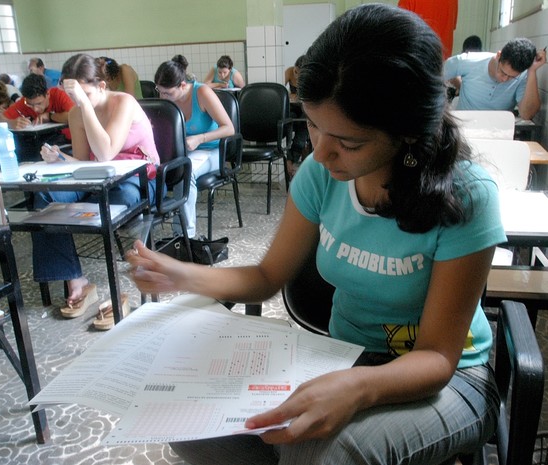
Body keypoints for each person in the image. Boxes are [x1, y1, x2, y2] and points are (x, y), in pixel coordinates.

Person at [127, 4, 505, 464]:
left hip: (449, 377)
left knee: (323, 452)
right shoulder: (321, 174)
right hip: (340, 356)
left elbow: (437, 359)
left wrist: (358, 388)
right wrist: (180, 275)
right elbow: (268, 275)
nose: (321, 153)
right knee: (188, 420)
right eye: (312, 125)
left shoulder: (467, 196)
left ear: (407, 133)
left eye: (349, 142)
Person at [35, 53, 160, 330]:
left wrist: (84, 106)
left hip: (137, 180)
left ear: (102, 86)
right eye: (75, 96)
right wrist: (60, 159)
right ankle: (74, 278)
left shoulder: (123, 102)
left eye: (85, 94)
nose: (79, 101)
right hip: (99, 178)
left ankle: (127, 287)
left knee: (120, 200)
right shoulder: (77, 111)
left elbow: (105, 152)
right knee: (46, 197)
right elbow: (84, 160)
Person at [154, 54, 234, 238]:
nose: (162, 97)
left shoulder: (202, 93)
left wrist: (200, 138)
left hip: (212, 150)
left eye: (167, 93)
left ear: (183, 85)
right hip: (185, 152)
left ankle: (183, 236)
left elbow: (229, 128)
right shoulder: (167, 100)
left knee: (185, 171)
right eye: (160, 91)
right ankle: (146, 233)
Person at [444, 37, 546, 120]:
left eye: (512, 77)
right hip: (464, 129)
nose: (505, 79)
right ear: (499, 55)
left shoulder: (523, 76)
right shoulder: (468, 60)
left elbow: (527, 114)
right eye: (503, 72)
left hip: (498, 132)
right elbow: (434, 75)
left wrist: (532, 71)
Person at [284, 55, 310, 177]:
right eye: (295, 72)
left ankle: (292, 160)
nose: (296, 76)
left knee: (303, 125)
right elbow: (281, 91)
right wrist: (289, 95)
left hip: (305, 109)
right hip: (293, 107)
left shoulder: (311, 76)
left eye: (300, 74)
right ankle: (289, 159)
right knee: (288, 119)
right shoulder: (289, 72)